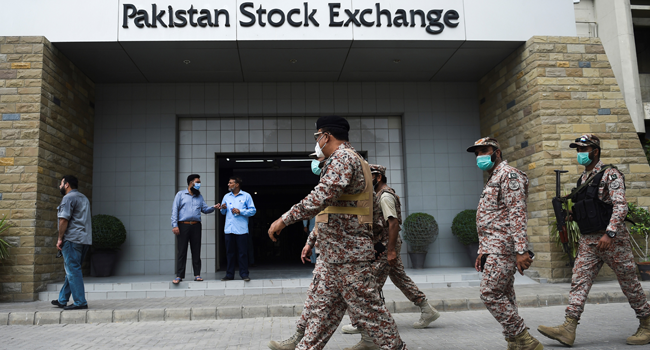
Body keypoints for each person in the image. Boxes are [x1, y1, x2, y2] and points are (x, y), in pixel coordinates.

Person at [267, 115, 407, 350]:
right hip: (337, 254)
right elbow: (337, 209)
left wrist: (283, 220)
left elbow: (322, 197)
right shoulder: (356, 160)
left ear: (326, 135)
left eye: (317, 136)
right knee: (322, 310)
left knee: (372, 312)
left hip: (348, 256)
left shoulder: (342, 158)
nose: (317, 141)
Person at [537, 134, 650, 346]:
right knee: (579, 281)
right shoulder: (582, 179)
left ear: (595, 151)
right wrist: (571, 216)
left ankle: (647, 322)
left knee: (629, 284)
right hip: (588, 241)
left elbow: (620, 206)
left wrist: (610, 233)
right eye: (577, 150)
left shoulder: (611, 174)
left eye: (583, 149)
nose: (580, 154)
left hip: (612, 241)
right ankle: (568, 328)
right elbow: (589, 208)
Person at [340, 164, 441, 350]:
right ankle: (427, 309)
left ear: (377, 177)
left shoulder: (385, 196)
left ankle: (364, 326)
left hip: (386, 247)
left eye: (367, 177)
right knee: (400, 278)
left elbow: (393, 224)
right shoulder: (378, 195)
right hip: (385, 246)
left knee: (369, 286)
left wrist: (391, 251)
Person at [468, 137, 541, 350]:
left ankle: (525, 339)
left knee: (489, 293)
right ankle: (515, 343)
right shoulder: (494, 178)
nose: (480, 155)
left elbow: (516, 213)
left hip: (504, 249)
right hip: (493, 248)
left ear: (497, 152)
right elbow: (491, 219)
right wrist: (483, 251)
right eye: (477, 152)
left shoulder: (509, 175)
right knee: (505, 295)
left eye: (485, 150)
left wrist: (521, 250)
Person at [51, 175, 92, 310]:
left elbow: (64, 219)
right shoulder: (83, 198)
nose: (60, 186)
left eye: (61, 183)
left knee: (73, 271)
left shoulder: (68, 198)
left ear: (67, 184)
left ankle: (80, 302)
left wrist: (60, 239)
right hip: (84, 240)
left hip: (72, 239)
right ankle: (62, 299)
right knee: (73, 269)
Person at [170, 174, 219, 284]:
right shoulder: (180, 195)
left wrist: (214, 207)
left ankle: (197, 274)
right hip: (183, 225)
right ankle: (179, 276)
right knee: (182, 251)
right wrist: (175, 225)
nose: (199, 184)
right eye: (197, 182)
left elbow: (205, 209)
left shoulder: (199, 196)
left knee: (196, 250)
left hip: (196, 225)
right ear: (191, 182)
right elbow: (174, 211)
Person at [219, 176, 256, 282]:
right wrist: (223, 209)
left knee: (242, 253)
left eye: (230, 183)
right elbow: (223, 212)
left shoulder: (246, 196)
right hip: (229, 229)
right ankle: (229, 275)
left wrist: (240, 211)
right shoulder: (226, 196)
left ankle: (244, 274)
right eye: (228, 183)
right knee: (229, 253)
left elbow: (253, 211)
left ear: (237, 184)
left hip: (241, 229)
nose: (228, 184)